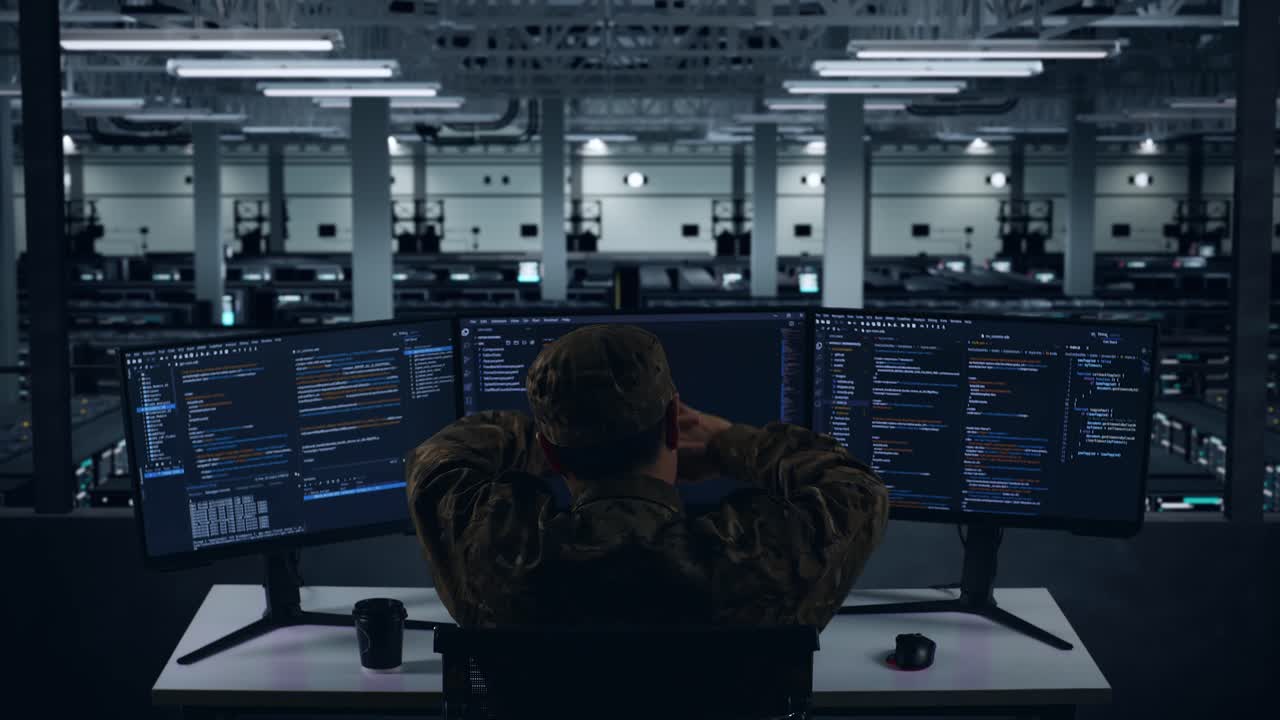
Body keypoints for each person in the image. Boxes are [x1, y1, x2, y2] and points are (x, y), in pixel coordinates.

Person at [406, 324, 888, 628]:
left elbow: (436, 461)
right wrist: (730, 445)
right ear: (673, 424)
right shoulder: (759, 561)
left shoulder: (497, 556)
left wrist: (559, 433)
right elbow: (858, 489)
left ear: (550, 453)